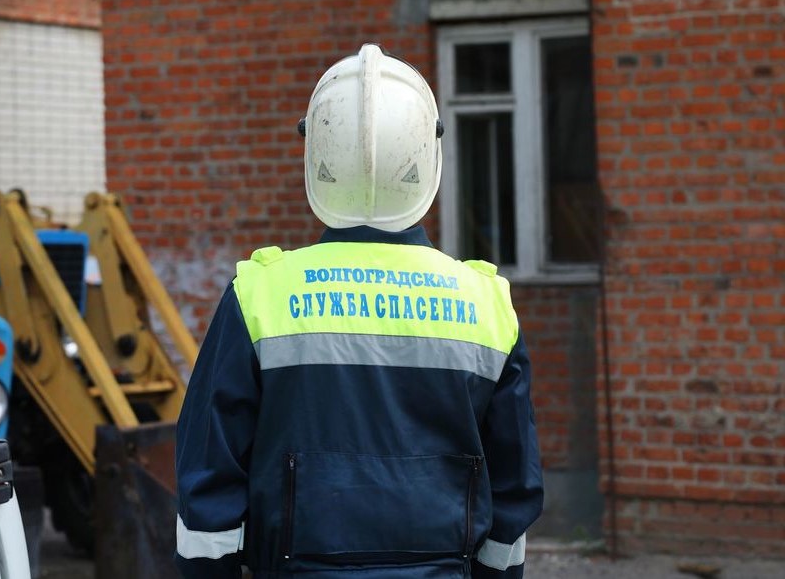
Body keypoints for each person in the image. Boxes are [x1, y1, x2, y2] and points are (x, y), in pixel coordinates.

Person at [175, 44, 543, 579]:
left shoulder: (259, 296)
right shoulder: (486, 304)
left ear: (316, 153)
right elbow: (514, 489)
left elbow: (209, 479)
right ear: (428, 152)